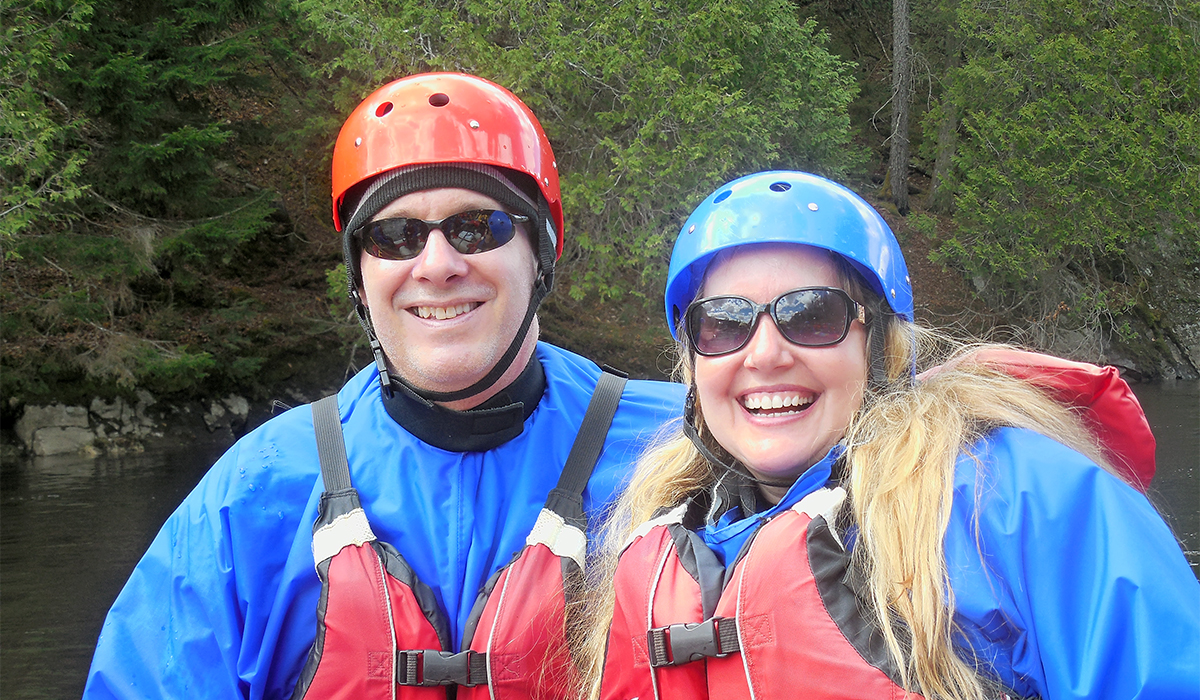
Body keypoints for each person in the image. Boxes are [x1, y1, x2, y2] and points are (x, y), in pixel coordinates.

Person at [82, 73, 683, 700]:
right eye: (394, 236)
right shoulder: (256, 490)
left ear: (540, 254)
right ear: (360, 277)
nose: (437, 265)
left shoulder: (683, 447)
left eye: (478, 227)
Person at [586, 171, 1200, 700]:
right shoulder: (653, 537)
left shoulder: (1015, 501)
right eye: (724, 325)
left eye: (812, 315)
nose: (765, 354)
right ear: (692, 363)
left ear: (882, 346)